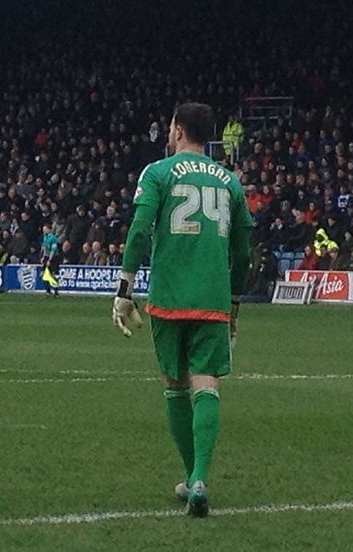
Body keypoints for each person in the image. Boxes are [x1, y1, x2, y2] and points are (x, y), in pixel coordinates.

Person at [111, 102, 253, 517]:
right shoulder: (230, 181)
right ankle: (201, 479)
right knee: (206, 382)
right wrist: (235, 300)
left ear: (176, 130)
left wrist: (125, 287)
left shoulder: (157, 172)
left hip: (169, 296)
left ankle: (193, 476)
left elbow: (140, 229)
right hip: (212, 298)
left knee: (175, 385)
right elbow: (243, 251)